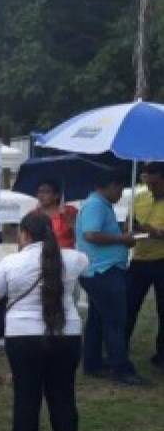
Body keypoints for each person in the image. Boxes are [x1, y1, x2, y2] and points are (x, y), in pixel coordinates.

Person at [0, 212, 88, 431]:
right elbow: (86, 264)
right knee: (63, 394)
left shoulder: (11, 262)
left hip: (23, 335)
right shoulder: (74, 259)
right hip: (67, 334)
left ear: (25, 234)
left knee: (26, 394)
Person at [76, 172, 146, 386]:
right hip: (103, 271)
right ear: (110, 185)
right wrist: (121, 239)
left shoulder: (100, 204)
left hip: (101, 270)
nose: (120, 194)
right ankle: (121, 369)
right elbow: (90, 234)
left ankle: (93, 362)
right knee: (116, 321)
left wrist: (121, 234)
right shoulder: (96, 205)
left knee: (98, 319)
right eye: (120, 189)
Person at [128, 162, 164, 371]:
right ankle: (119, 350)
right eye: (147, 183)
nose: (150, 188)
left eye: (155, 184)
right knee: (128, 306)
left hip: (161, 260)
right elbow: (128, 225)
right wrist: (131, 229)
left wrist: (156, 233)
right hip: (139, 260)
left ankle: (161, 355)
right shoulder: (140, 196)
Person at [35, 180, 77, 249]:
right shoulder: (33, 214)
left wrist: (73, 226)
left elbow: (80, 236)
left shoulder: (69, 211)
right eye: (39, 191)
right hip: (42, 255)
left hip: (66, 254)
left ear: (56, 195)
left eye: (46, 192)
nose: (41, 195)